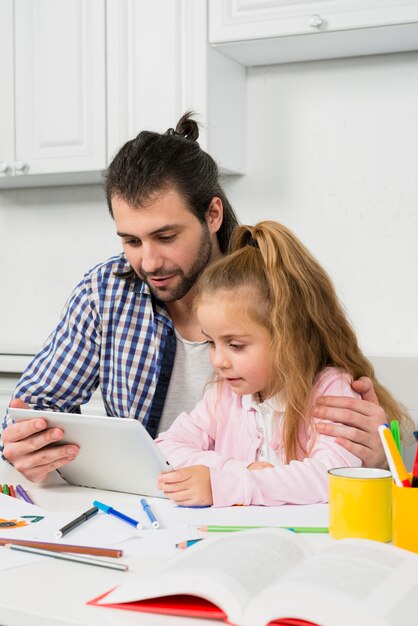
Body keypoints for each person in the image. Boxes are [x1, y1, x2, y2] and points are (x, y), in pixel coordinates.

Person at [0, 113, 390, 483]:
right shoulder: (105, 293)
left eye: (166, 237)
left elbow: (364, 451)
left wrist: (375, 457)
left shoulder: (271, 286)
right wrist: (27, 444)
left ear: (213, 214)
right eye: (132, 241)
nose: (148, 262)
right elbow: (31, 406)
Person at [156, 221, 412, 507]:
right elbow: (166, 448)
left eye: (236, 345)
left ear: (289, 336)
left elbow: (330, 477)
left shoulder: (330, 390)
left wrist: (231, 486)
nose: (218, 361)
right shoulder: (223, 395)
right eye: (211, 343)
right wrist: (238, 470)